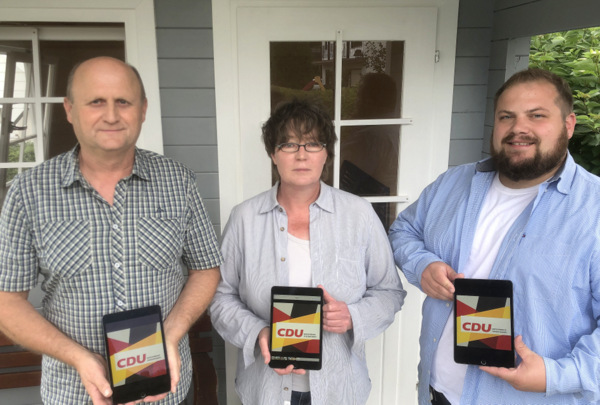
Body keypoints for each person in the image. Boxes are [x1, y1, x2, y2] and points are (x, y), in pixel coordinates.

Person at [0, 56, 223, 405]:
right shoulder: (29, 193)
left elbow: (206, 269)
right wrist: (79, 357)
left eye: (123, 101)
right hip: (74, 393)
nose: (111, 115)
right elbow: (6, 301)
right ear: (70, 109)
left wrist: (171, 335)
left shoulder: (177, 181)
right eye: (96, 102)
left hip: (162, 390)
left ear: (143, 109)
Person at [388, 68, 600, 404]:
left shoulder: (594, 212)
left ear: (569, 125)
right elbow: (403, 230)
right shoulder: (453, 183)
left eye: (537, 115)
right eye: (506, 116)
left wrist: (556, 375)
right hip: (437, 393)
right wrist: (423, 264)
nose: (519, 128)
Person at [210, 99, 406, 405]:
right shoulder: (244, 218)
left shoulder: (359, 215)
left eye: (312, 144)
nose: (301, 155)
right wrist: (259, 333)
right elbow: (220, 296)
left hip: (339, 390)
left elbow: (390, 291)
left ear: (326, 154)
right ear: (273, 154)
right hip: (267, 391)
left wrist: (352, 315)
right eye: (288, 144)